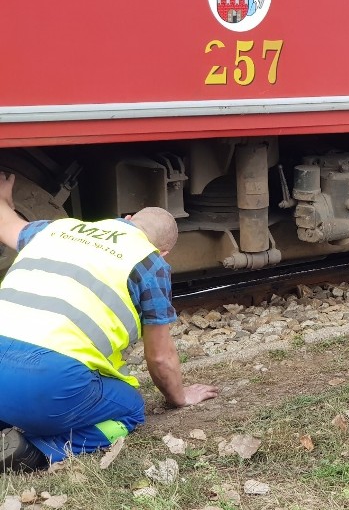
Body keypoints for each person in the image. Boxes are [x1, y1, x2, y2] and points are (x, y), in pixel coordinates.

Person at [0, 172, 219, 472]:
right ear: (164, 252)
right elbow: (159, 358)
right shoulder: (149, 261)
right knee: (130, 410)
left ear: (127, 219)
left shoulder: (55, 229)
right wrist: (180, 397)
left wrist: (5, 196)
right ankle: (35, 451)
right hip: (48, 382)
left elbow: (6, 223)